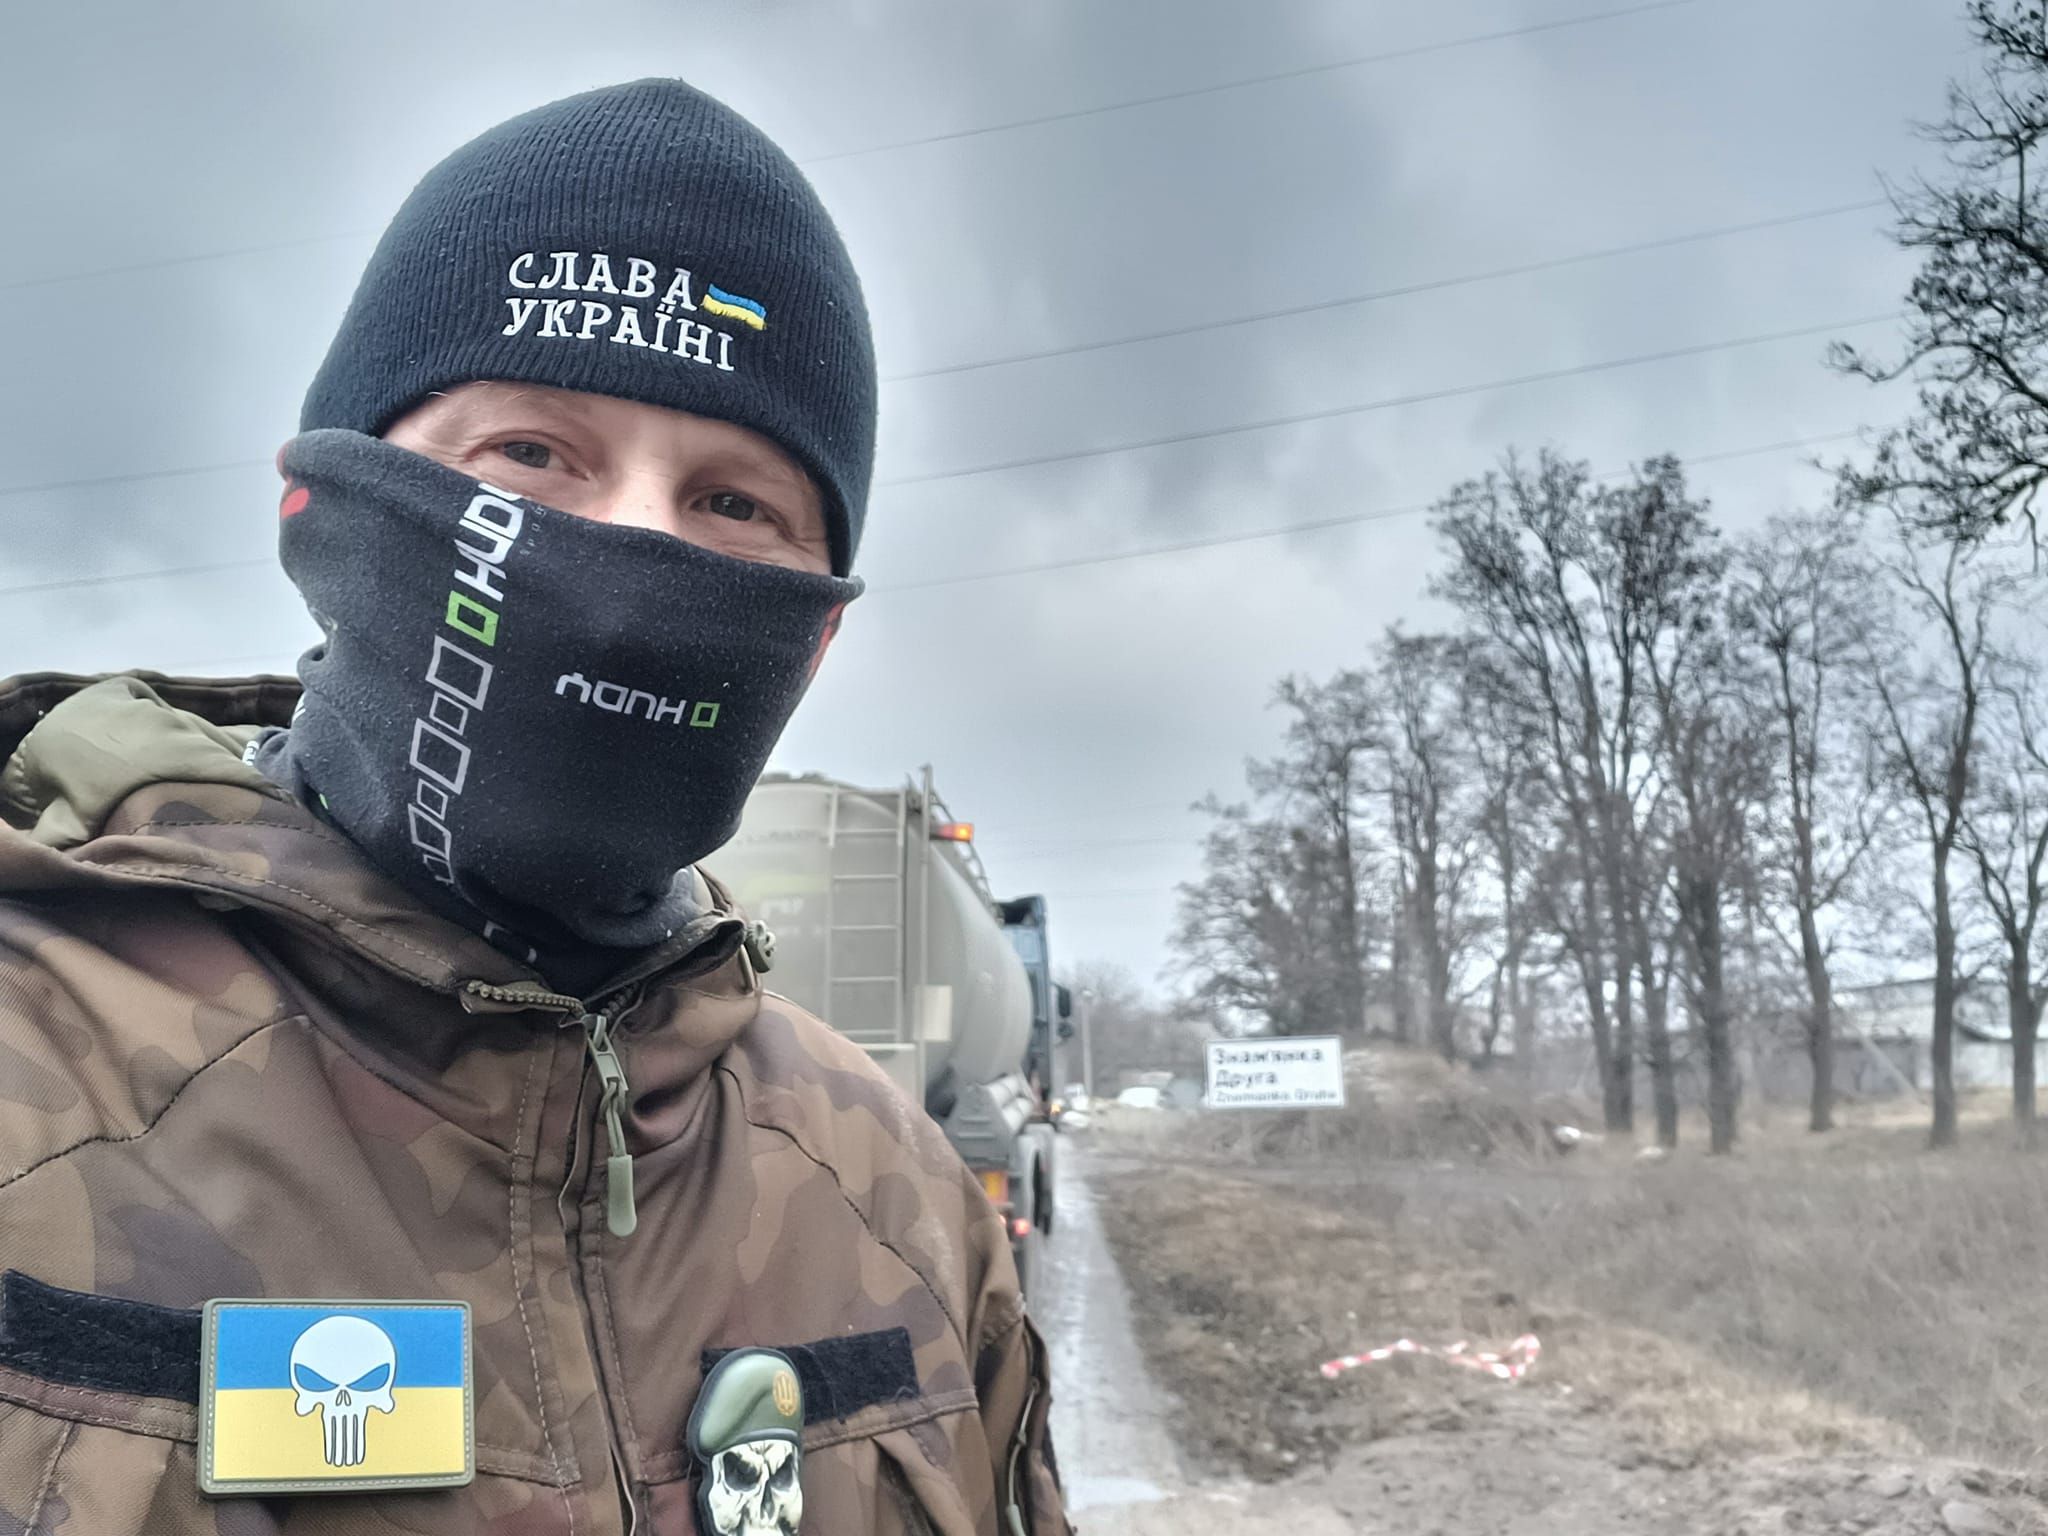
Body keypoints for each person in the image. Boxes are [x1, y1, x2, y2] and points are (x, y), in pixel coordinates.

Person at [0, 79, 1070, 1536]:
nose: (629, 559)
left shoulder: (895, 1190)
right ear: (326, 504)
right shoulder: (35, 1068)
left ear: (814, 634)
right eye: (532, 454)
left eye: (735, 504)